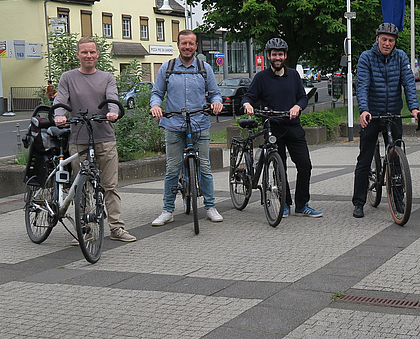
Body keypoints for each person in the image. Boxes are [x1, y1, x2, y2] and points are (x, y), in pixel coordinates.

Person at [53, 37, 136, 242]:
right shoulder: (68, 77)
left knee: (110, 185)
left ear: (97, 54)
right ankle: (85, 228)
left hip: (104, 137)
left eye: (92, 52)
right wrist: (59, 115)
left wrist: (113, 112)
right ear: (78, 55)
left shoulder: (107, 77)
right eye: (84, 52)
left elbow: (112, 99)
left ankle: (116, 228)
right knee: (82, 185)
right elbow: (61, 100)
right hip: (79, 138)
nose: (88, 56)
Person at [149, 29, 224, 226]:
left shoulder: (204, 67)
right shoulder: (167, 67)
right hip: (173, 124)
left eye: (191, 44)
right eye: (184, 43)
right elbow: (157, 92)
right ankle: (167, 210)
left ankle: (210, 206)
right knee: (172, 168)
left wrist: (217, 103)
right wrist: (155, 105)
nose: (187, 47)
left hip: (199, 123)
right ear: (178, 45)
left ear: (196, 46)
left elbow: (215, 93)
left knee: (205, 167)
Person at [242, 38, 321, 218]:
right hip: (273, 127)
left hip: (293, 125)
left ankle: (302, 205)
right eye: (274, 54)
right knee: (280, 166)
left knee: (305, 165)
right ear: (269, 56)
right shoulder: (261, 78)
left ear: (285, 56)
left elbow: (302, 97)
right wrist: (247, 105)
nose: (277, 57)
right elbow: (248, 97)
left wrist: (297, 107)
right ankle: (284, 203)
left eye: (280, 54)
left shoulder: (293, 75)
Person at [352, 22, 420, 218]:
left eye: (391, 40)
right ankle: (358, 202)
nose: (387, 43)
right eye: (384, 39)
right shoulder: (366, 57)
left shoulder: (400, 57)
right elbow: (363, 85)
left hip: (393, 113)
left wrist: (414, 109)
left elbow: (409, 83)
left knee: (396, 160)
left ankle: (399, 199)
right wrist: (364, 110)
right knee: (364, 160)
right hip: (372, 115)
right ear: (377, 40)